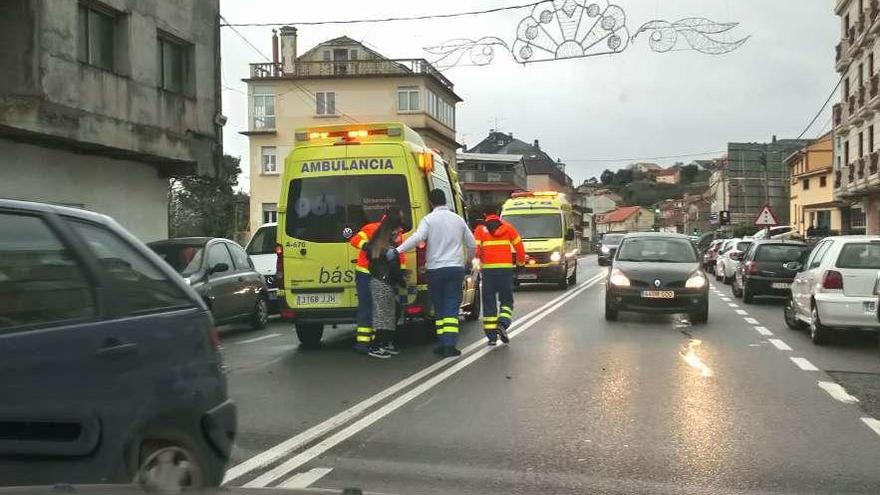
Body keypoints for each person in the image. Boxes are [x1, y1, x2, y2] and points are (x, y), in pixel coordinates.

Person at [396, 189, 476, 358]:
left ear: (431, 202)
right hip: (455, 268)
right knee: (451, 306)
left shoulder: (428, 220)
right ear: (445, 200)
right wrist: (468, 261)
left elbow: (417, 238)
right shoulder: (458, 220)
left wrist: (397, 251)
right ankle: (450, 345)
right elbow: (472, 244)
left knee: (439, 307)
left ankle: (442, 343)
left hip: (435, 270)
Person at [350, 207, 405, 358]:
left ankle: (377, 343)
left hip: (382, 276)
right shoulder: (371, 228)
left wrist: (400, 274)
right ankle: (364, 344)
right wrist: (368, 247)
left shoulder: (396, 233)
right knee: (368, 307)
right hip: (366, 273)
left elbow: (400, 255)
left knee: (381, 309)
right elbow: (354, 240)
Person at [474, 206, 525, 346]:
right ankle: (503, 323)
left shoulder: (479, 230)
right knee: (507, 300)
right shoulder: (508, 227)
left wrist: (478, 259)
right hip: (505, 270)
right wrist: (520, 262)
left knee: (489, 302)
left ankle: (491, 337)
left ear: (485, 214)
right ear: (497, 214)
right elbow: (519, 247)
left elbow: (476, 251)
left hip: (488, 271)